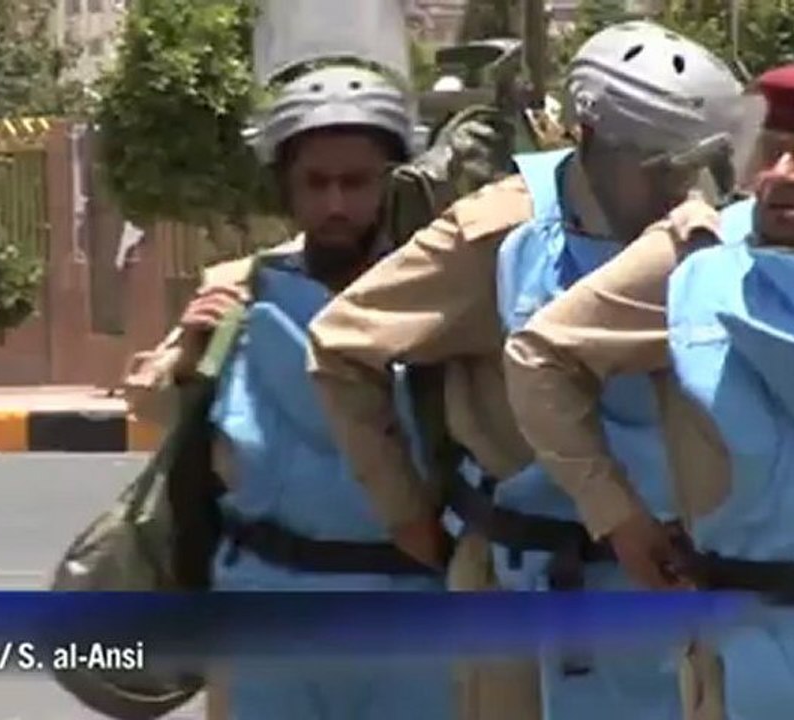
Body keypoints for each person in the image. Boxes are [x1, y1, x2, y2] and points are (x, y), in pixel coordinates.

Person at [307, 21, 744, 720]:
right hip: (526, 587)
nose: (678, 188)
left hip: (668, 591)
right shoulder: (497, 235)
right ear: (593, 138)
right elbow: (340, 344)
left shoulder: (694, 233)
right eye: (657, 168)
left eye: (688, 166)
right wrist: (408, 516)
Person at [122, 64, 456, 720]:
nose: (335, 205)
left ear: (395, 183)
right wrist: (191, 350)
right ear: (286, 188)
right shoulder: (240, 287)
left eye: (356, 183)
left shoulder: (441, 292)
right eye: (316, 183)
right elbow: (157, 408)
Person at [501, 64, 794, 720]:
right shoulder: (698, 255)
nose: (783, 176)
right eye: (771, 150)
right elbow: (539, 356)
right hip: (741, 642)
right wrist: (619, 518)